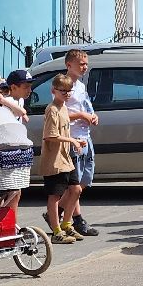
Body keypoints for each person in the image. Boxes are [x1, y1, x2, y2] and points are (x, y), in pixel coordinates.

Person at [59, 50, 101, 238]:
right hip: (72, 137)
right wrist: (81, 116)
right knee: (74, 185)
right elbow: (59, 112)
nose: (85, 67)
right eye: (81, 64)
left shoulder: (81, 86)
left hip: (85, 136)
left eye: (86, 63)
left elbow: (85, 105)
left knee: (85, 180)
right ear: (69, 65)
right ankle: (76, 219)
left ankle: (58, 208)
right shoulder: (63, 85)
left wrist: (91, 115)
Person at [36, 74, 82, 244]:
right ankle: (56, 231)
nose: (67, 94)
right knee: (55, 195)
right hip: (54, 160)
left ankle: (66, 224)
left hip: (65, 158)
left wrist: (76, 141)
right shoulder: (52, 109)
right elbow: (50, 136)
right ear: (53, 90)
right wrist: (72, 140)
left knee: (76, 190)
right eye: (63, 91)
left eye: (69, 91)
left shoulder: (63, 107)